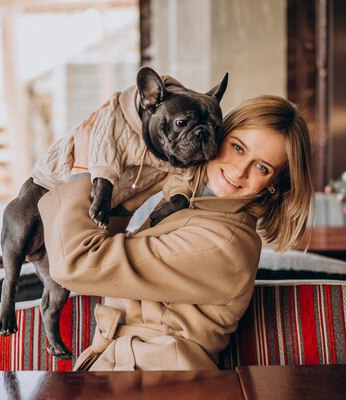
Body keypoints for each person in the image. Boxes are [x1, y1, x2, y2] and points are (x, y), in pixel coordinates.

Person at [37, 95, 314, 371]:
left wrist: (84, 169)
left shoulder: (223, 244)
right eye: (238, 148)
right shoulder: (193, 206)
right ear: (219, 134)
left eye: (262, 167)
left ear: (273, 185)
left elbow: (77, 263)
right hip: (128, 371)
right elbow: (109, 248)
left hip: (159, 379)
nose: (240, 170)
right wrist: (137, 190)